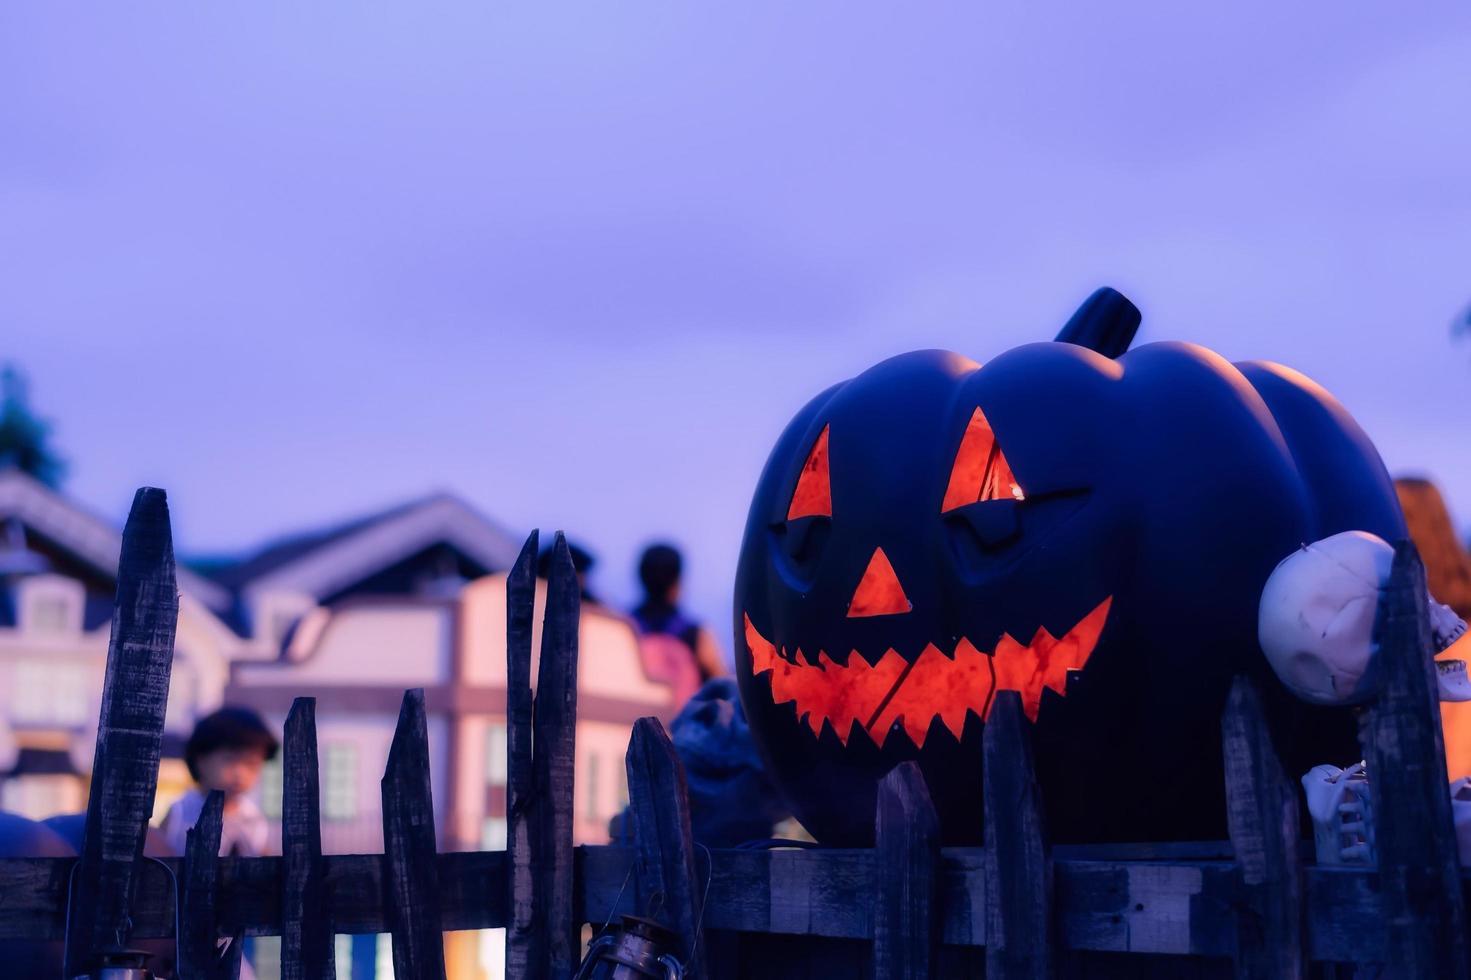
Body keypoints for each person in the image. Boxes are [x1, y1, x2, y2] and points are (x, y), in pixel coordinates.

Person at [160, 706, 278, 858]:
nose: (240, 773)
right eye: (230, 760)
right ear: (200, 760)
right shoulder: (180, 812)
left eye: (252, 764)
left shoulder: (254, 818)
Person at [631, 544, 725, 707]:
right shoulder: (695, 633)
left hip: (630, 722)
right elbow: (723, 685)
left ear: (640, 578)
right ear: (677, 582)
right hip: (680, 727)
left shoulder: (625, 629)